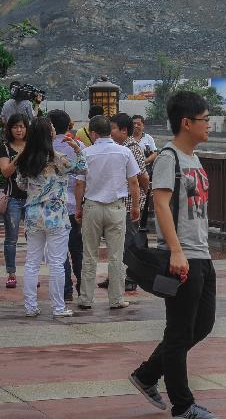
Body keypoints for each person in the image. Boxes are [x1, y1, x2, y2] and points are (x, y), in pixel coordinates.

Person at [130, 91, 217, 419]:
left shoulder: (193, 157)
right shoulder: (169, 157)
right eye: (205, 119)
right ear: (186, 123)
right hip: (182, 256)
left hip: (201, 254)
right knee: (179, 332)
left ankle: (148, 374)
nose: (209, 125)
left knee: (203, 323)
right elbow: (161, 203)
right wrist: (177, 251)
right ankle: (183, 406)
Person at [16, 117, 86, 317]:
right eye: (53, 128)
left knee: (31, 262)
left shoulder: (24, 158)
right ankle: (58, 307)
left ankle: (30, 307)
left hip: (33, 214)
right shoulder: (59, 158)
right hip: (56, 215)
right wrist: (78, 148)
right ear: (49, 134)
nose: (55, 130)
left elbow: (21, 185)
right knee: (56, 262)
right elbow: (82, 168)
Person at [75, 115, 141, 310]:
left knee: (89, 255)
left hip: (93, 207)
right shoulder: (124, 152)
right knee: (116, 256)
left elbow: (80, 184)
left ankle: (86, 299)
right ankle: (116, 299)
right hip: (116, 208)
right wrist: (135, 206)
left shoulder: (86, 153)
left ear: (94, 133)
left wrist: (78, 208)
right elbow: (134, 183)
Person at [98, 112, 150, 293]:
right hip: (118, 203)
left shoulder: (133, 148)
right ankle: (115, 276)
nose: (110, 132)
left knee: (130, 243)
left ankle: (130, 277)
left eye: (113, 128)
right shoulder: (117, 147)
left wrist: (141, 201)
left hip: (130, 205)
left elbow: (142, 177)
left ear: (124, 130)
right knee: (115, 243)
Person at [48, 109, 86, 301]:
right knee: (77, 249)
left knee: (59, 251)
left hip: (54, 208)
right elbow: (82, 176)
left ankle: (66, 290)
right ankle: (83, 286)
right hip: (74, 205)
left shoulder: (46, 148)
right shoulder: (77, 145)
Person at [0, 113, 30, 288]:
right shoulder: (5, 148)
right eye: (15, 126)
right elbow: (6, 172)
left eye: (22, 126)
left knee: (33, 237)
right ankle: (11, 273)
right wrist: (19, 156)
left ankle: (31, 273)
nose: (19, 130)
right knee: (11, 238)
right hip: (13, 199)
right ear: (10, 129)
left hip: (32, 198)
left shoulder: (32, 146)